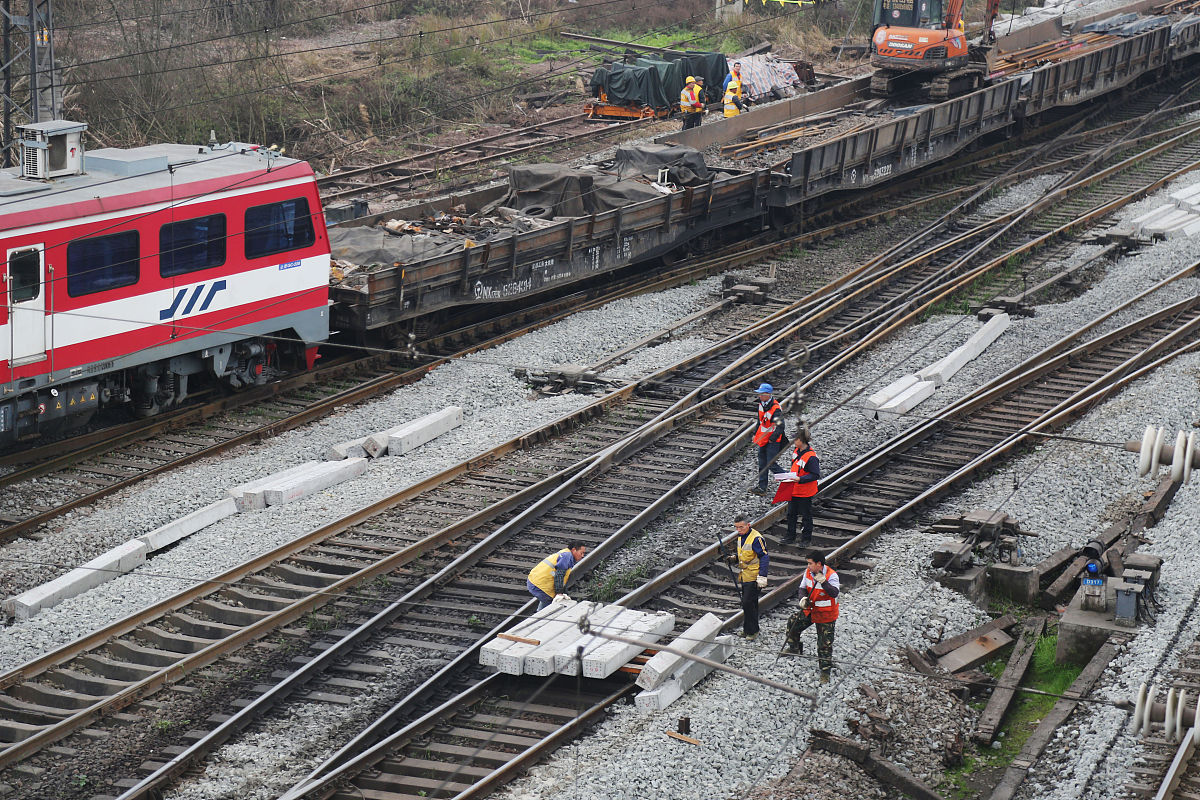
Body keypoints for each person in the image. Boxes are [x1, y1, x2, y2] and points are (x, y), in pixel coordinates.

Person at [783, 551, 840, 684]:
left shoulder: (832, 576)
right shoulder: (808, 572)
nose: (808, 566)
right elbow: (802, 588)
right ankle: (794, 647)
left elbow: (834, 593)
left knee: (824, 644)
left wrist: (824, 582)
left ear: (819, 564)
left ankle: (825, 671)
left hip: (826, 614)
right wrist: (802, 598)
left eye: (810, 563)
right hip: (810, 609)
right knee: (793, 623)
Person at [771, 429, 819, 545]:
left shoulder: (811, 457)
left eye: (795, 439)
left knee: (806, 516)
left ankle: (806, 539)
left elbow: (815, 475)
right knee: (791, 514)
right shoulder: (797, 451)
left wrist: (800, 479)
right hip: (794, 489)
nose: (793, 441)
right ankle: (790, 536)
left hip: (805, 491)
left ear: (801, 440)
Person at [724, 515, 768, 640]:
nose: (738, 530)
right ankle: (749, 629)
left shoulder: (756, 538)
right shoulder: (741, 537)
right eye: (736, 527)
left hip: (754, 575)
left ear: (748, 525)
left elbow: (764, 557)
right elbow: (744, 553)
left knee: (748, 602)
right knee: (749, 603)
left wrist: (762, 576)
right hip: (745, 575)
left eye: (741, 527)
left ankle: (752, 631)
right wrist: (734, 559)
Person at [750, 382, 787, 496]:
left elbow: (781, 426)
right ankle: (762, 488)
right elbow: (759, 421)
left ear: (768, 394)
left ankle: (789, 480)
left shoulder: (775, 409)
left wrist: (772, 439)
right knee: (762, 463)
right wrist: (755, 434)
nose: (759, 396)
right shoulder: (761, 404)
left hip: (772, 441)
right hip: (763, 439)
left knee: (771, 464)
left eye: (761, 394)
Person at [527, 541, 586, 610]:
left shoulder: (565, 553)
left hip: (536, 582)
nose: (582, 556)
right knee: (549, 606)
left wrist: (562, 592)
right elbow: (559, 574)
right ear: (573, 550)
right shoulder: (567, 556)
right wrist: (559, 593)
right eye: (581, 553)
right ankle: (539, 618)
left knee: (547, 604)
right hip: (539, 585)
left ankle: (538, 617)